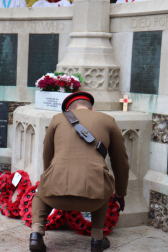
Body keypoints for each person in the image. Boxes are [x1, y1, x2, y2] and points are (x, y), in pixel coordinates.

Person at [29, 92, 129, 252]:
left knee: (40, 194)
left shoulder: (57, 119)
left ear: (68, 109)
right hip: (93, 199)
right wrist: (120, 193)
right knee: (102, 184)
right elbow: (121, 162)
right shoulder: (108, 120)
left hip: (55, 196)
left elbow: (47, 156)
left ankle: (36, 233)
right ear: (92, 109)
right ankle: (97, 239)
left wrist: (50, 180)